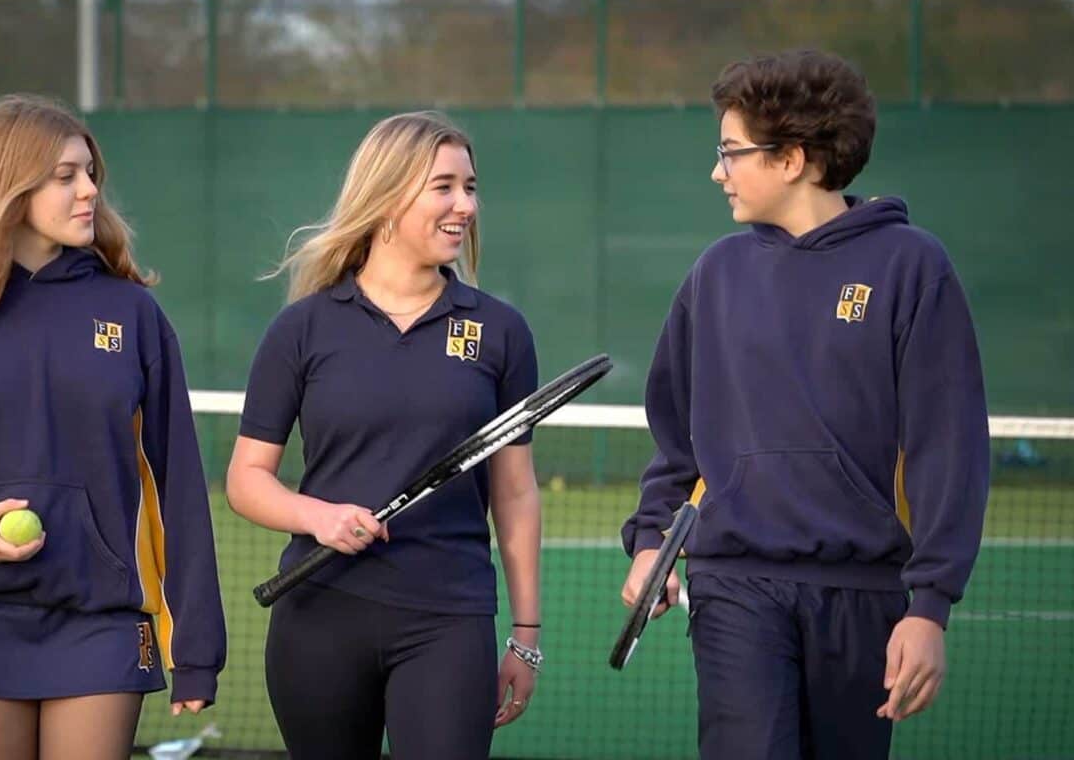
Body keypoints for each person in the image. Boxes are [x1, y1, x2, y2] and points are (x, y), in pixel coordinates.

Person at [619, 50, 990, 760]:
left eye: (731, 153)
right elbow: (676, 441)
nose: (716, 171)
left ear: (791, 158)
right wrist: (650, 544)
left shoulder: (912, 266)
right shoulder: (715, 274)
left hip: (864, 596)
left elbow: (951, 448)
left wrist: (931, 608)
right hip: (733, 586)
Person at [0, 94, 225, 760]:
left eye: (89, 174)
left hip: (104, 618)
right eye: (65, 176)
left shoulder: (133, 314)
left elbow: (179, 488)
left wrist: (196, 645)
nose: (89, 191)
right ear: (8, 186)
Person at [226, 110, 544, 759]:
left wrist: (525, 634)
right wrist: (318, 517)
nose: (465, 206)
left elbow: (514, 493)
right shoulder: (302, 330)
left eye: (471, 187)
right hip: (319, 617)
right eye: (445, 187)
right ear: (389, 196)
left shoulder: (500, 332)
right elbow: (245, 480)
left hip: (449, 620)